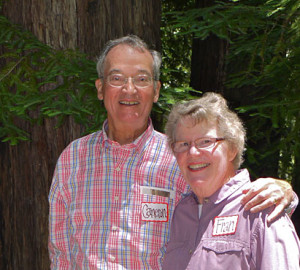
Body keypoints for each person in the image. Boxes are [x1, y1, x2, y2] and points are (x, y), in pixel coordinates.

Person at [48, 35, 297, 269]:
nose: (129, 89)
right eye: (117, 78)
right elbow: (60, 252)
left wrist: (284, 193)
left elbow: (226, 202)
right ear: (101, 88)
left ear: (156, 90)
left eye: (142, 79)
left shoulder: (181, 158)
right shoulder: (73, 159)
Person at [162, 92, 300, 269]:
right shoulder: (181, 214)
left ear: (232, 149)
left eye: (205, 141)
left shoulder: (260, 210)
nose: (193, 152)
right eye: (183, 144)